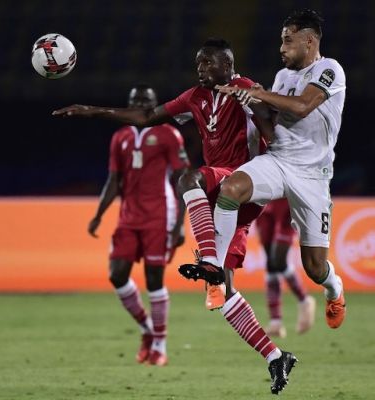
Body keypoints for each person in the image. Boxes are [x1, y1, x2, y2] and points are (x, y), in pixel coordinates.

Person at [53, 39, 296, 395]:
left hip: (245, 180)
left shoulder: (245, 89)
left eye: (208, 62)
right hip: (225, 200)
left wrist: (259, 110)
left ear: (228, 64)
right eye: (198, 63)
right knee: (223, 293)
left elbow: (275, 134)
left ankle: (208, 258)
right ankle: (276, 356)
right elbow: (148, 117)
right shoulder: (195, 96)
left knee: (189, 177)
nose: (201, 69)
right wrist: (93, 110)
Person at [212, 9, 347, 332]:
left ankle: (334, 290)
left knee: (314, 267)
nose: (281, 48)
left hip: (312, 176)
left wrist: (258, 93)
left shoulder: (330, 70)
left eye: (288, 41)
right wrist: (249, 100)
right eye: (281, 41)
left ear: (309, 41)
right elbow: (273, 124)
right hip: (278, 160)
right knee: (230, 189)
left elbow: (301, 107)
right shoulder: (282, 77)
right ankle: (214, 269)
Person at [85, 85, 190, 366]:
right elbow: (114, 181)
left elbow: (183, 181)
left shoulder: (169, 135)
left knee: (154, 280)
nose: (141, 104)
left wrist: (180, 224)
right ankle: (147, 328)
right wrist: (99, 214)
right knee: (117, 274)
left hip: (160, 216)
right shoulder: (120, 137)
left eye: (146, 101)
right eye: (135, 101)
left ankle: (160, 344)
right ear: (128, 105)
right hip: (128, 217)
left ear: (156, 105)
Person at [256, 198, 316, 338]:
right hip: (263, 199)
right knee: (271, 263)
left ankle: (304, 300)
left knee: (279, 260)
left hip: (287, 200)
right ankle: (275, 322)